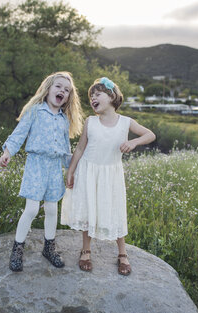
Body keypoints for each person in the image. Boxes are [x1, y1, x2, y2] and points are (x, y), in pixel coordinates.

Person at [61, 77, 155, 276]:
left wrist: (134, 143)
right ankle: (86, 250)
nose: (93, 98)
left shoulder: (126, 122)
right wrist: (70, 171)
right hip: (88, 172)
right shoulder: (91, 122)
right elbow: (79, 149)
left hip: (110, 174)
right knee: (88, 209)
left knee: (115, 209)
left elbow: (150, 135)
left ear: (112, 96)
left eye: (97, 94)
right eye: (91, 96)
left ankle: (122, 253)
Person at [0, 71, 84, 272]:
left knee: (52, 209)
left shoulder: (64, 120)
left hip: (54, 167)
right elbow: (18, 134)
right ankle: (17, 249)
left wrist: (72, 168)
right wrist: (7, 152)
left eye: (67, 90)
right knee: (31, 209)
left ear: (68, 97)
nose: (62, 91)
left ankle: (49, 248)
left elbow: (65, 149)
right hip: (36, 164)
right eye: (58, 87)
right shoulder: (35, 111)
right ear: (47, 89)